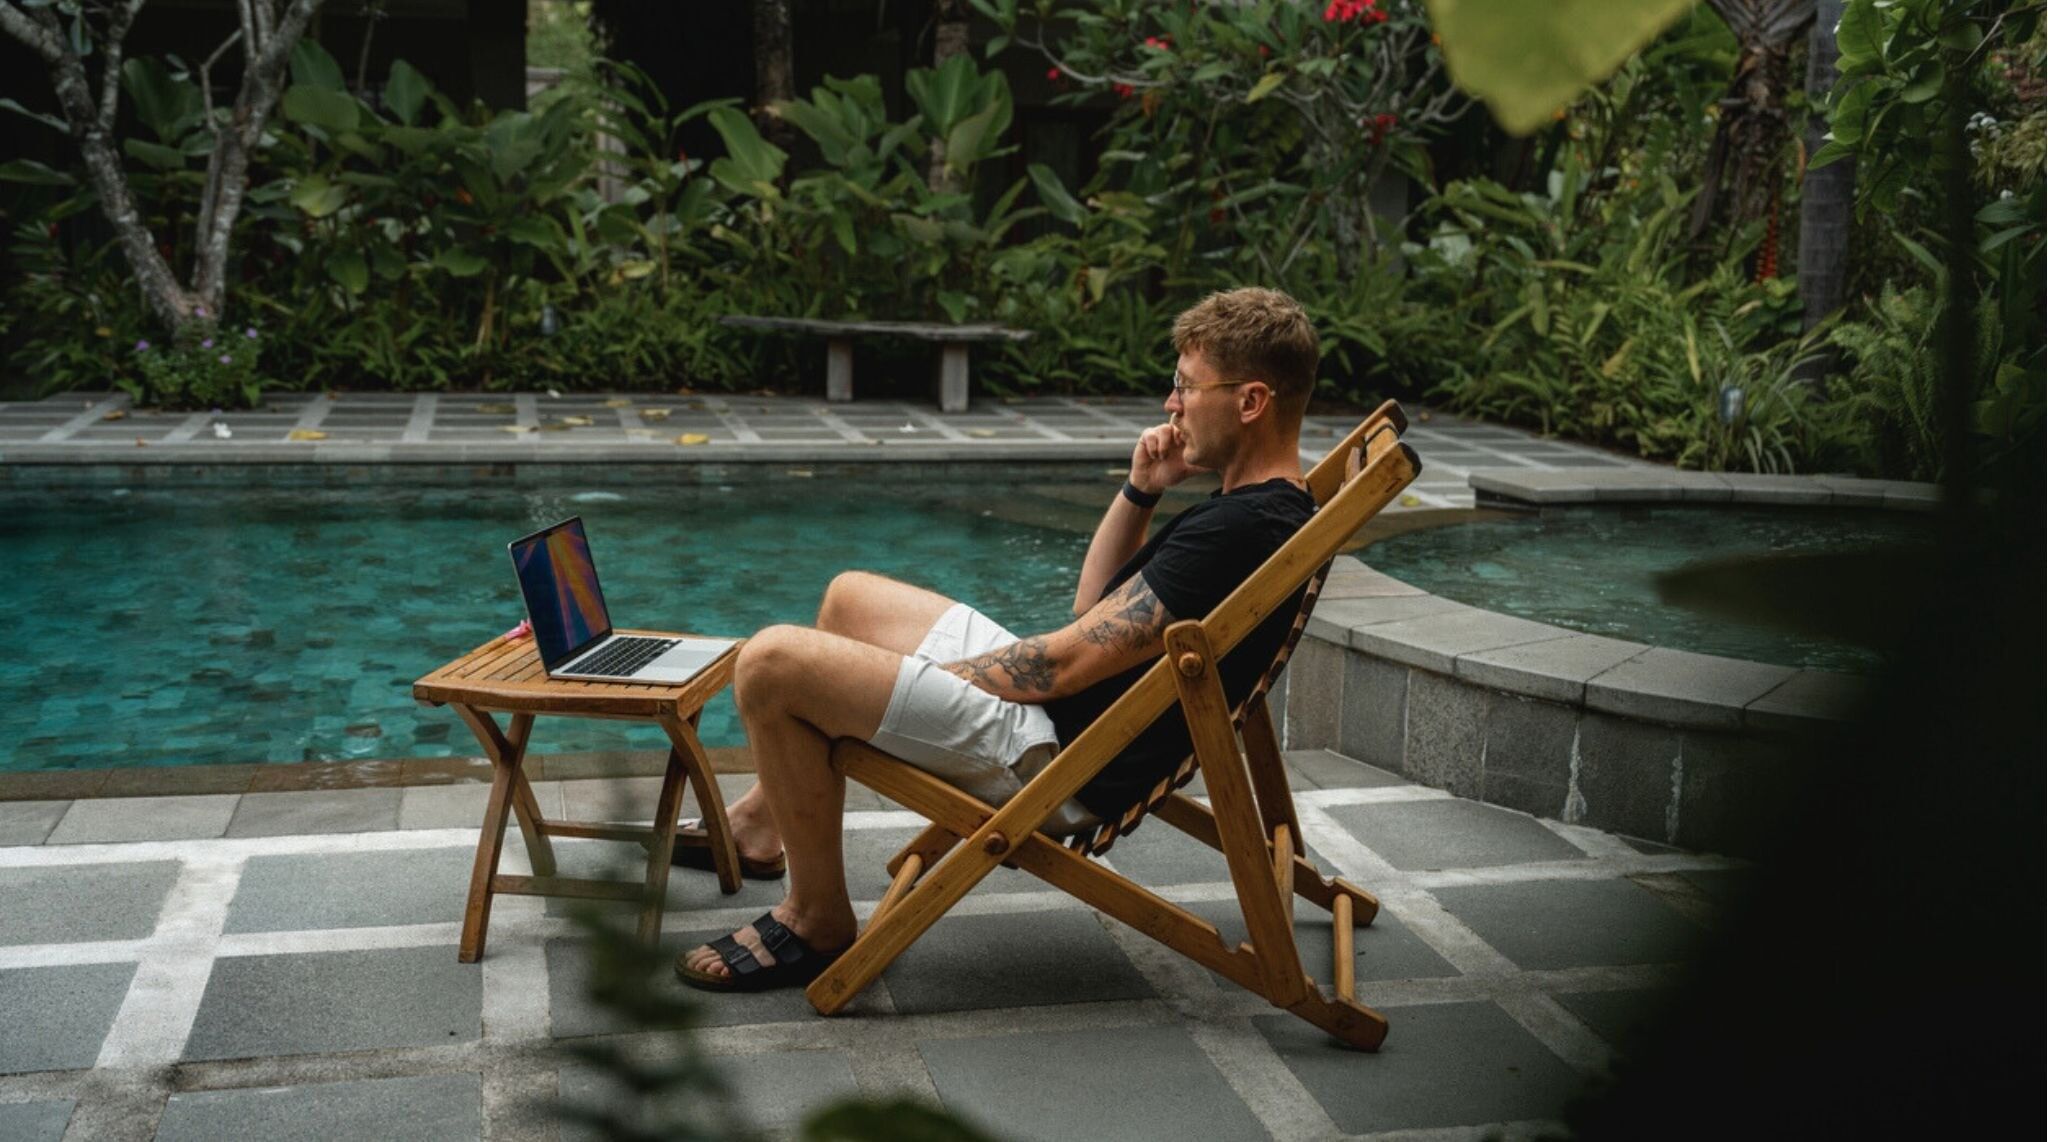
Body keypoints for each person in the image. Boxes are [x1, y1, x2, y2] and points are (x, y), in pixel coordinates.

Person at [674, 287, 1321, 991]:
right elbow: (1088, 613)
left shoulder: (1239, 532)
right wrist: (1142, 489)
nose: (1171, 404)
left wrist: (923, 676)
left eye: (1187, 387)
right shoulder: (1258, 510)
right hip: (1064, 712)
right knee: (849, 597)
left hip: (1053, 755)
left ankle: (815, 916)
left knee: (769, 662)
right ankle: (758, 830)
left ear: (1251, 401)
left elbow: (1065, 662)